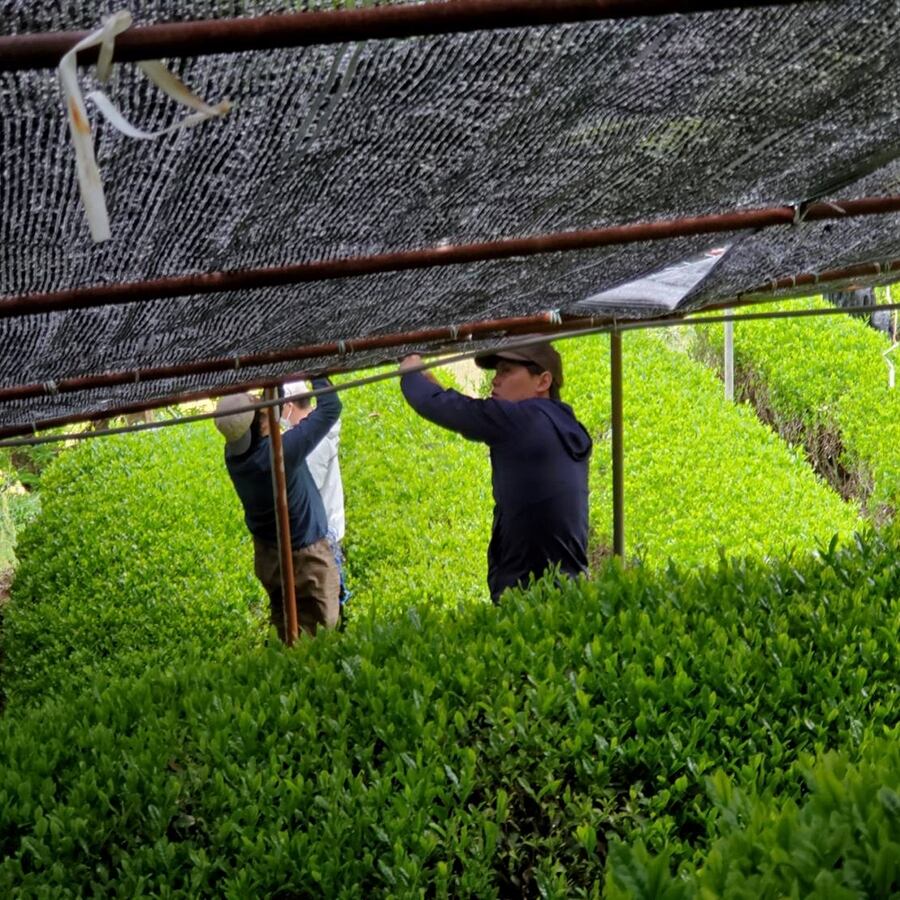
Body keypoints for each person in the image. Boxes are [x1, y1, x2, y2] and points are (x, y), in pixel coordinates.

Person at [399, 340, 592, 603]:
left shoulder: (522, 420)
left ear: (543, 381)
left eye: (506, 371)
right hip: (567, 584)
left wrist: (410, 370)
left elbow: (439, 406)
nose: (495, 381)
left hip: (528, 591)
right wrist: (430, 382)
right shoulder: (560, 424)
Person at [214, 377, 341, 640]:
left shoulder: (234, 454)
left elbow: (266, 417)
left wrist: (276, 379)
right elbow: (330, 407)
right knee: (320, 630)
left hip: (269, 554)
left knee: (285, 621)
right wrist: (316, 371)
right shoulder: (278, 454)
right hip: (304, 559)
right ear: (260, 424)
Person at [282, 381, 349, 620]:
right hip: (324, 530)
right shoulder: (314, 433)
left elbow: (305, 489)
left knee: (325, 600)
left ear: (289, 405)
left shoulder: (314, 444)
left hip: (322, 535)